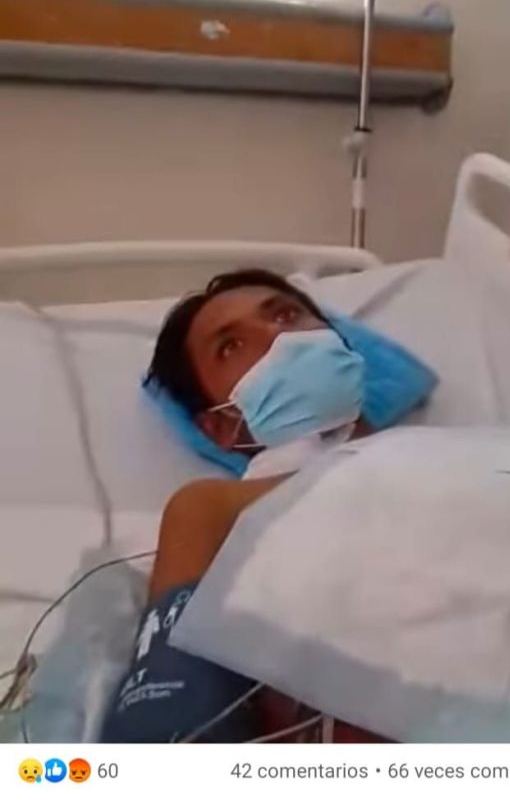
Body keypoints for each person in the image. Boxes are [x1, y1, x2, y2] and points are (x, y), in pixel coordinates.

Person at [101, 270, 383, 743]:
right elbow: (171, 723)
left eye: (286, 314)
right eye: (230, 346)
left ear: (340, 344)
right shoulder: (213, 510)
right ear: (221, 427)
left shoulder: (472, 458)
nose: (276, 336)